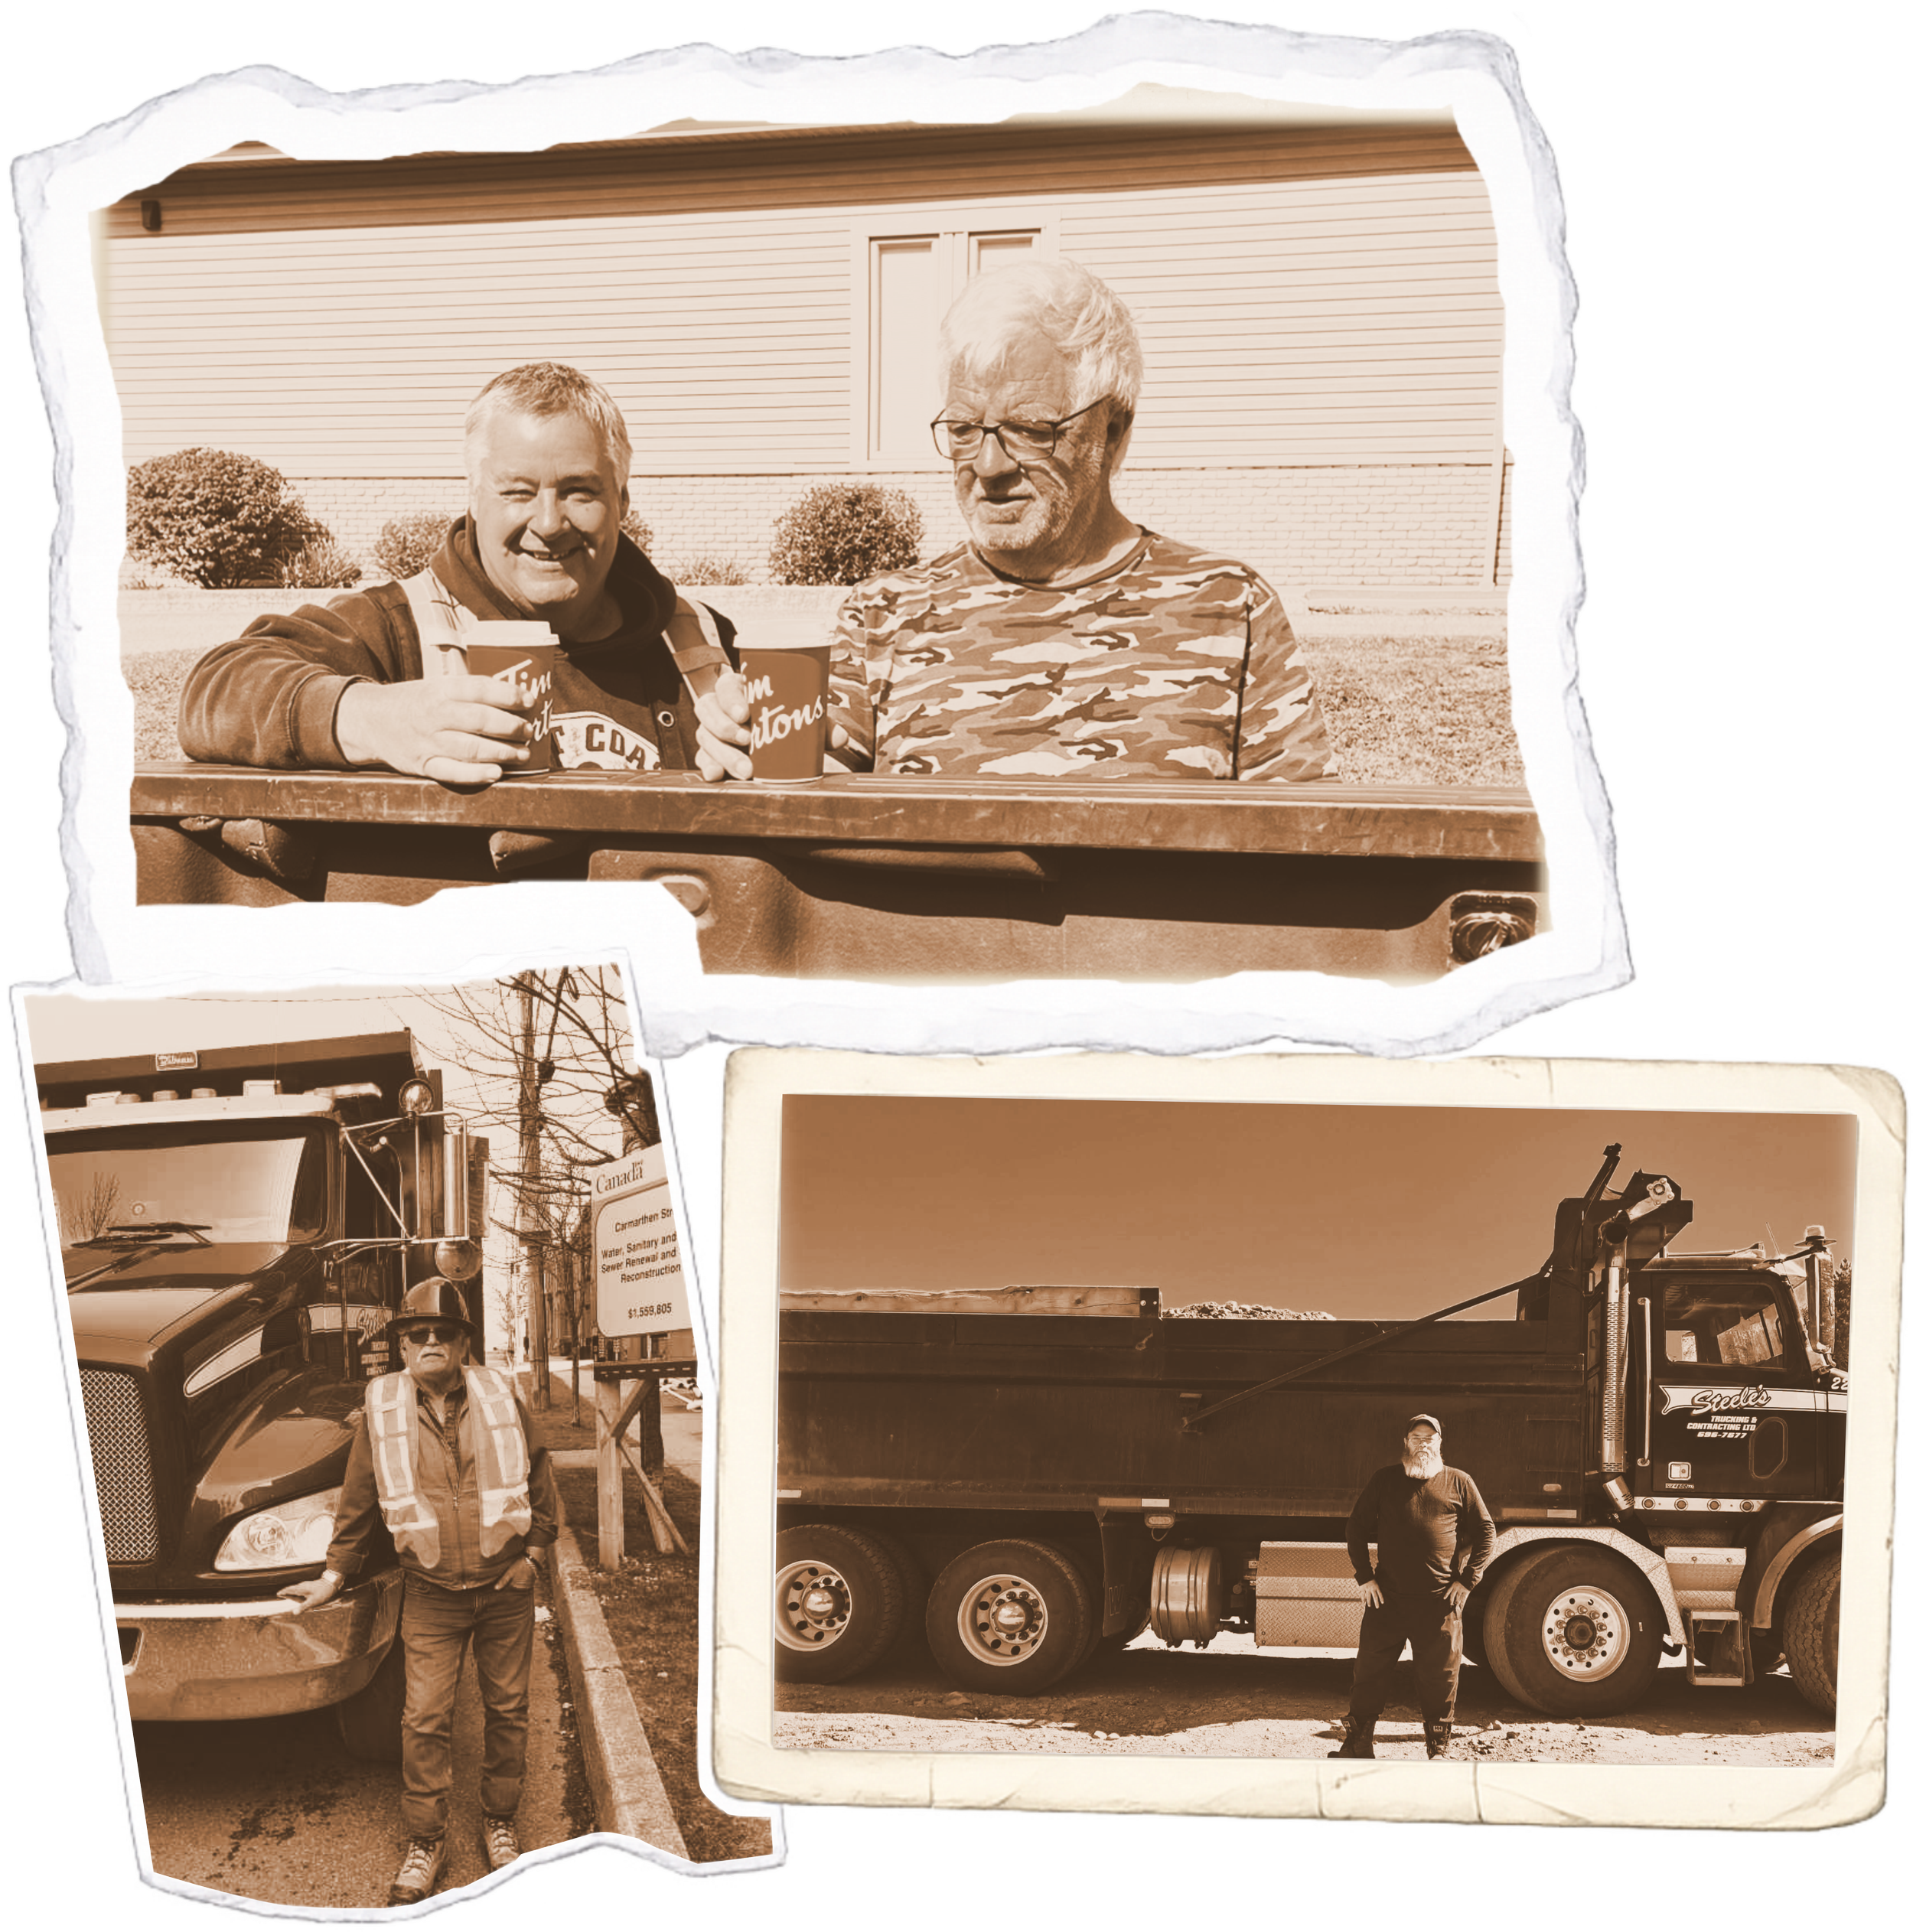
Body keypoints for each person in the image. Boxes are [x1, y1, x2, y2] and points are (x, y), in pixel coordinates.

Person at [693, 256, 1338, 784]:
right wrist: (742, 748)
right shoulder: (882, 616)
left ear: (1112, 430)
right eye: (963, 429)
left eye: (1030, 428)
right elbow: (812, 797)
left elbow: (1308, 850)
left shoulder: (1228, 608)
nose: (989, 464)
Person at [179, 362, 738, 787]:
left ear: (622, 500)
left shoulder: (704, 639)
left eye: (580, 491)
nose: (549, 523)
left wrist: (759, 750)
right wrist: (378, 719)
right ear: (474, 497)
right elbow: (216, 690)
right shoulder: (399, 626)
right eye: (517, 492)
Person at [279, 1279, 557, 1907]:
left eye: (443, 1333)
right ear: (403, 1346)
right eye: (417, 1334)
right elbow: (358, 1498)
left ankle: (500, 1819)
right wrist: (332, 1575)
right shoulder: (381, 1408)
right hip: (430, 1593)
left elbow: (540, 1474)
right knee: (424, 1717)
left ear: (462, 1344)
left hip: (505, 1587)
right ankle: (427, 1839)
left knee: (508, 1709)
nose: (431, 1341)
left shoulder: (501, 1393)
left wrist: (534, 1556)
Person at [1331, 1413, 1494, 1762]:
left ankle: (1438, 1750)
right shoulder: (1384, 1480)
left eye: (1429, 1438)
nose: (1423, 1444)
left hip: (1438, 1603)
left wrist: (1468, 1580)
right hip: (1387, 1601)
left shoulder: (1459, 1482)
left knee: (1441, 1678)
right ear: (1406, 1443)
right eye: (1416, 1438)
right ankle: (1358, 1745)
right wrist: (1365, 1577)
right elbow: (1356, 1528)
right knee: (1369, 1674)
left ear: (1440, 1444)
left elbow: (1486, 1532)